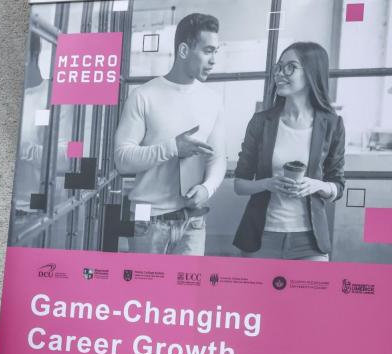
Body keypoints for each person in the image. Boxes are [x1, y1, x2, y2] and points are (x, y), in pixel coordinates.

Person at [113, 13, 225, 255]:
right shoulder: (143, 96)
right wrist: (173, 147)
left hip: (194, 222)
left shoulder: (213, 101)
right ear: (184, 50)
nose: (214, 60)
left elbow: (218, 159)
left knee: (185, 294)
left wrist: (207, 188)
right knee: (147, 293)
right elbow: (122, 160)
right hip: (147, 221)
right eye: (208, 51)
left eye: (216, 51)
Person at [233, 42, 345, 261]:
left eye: (290, 67)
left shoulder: (332, 124)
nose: (280, 74)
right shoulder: (261, 122)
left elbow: (338, 186)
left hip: (310, 243)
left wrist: (316, 185)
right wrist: (268, 183)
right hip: (261, 239)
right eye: (279, 67)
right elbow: (239, 184)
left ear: (312, 73)